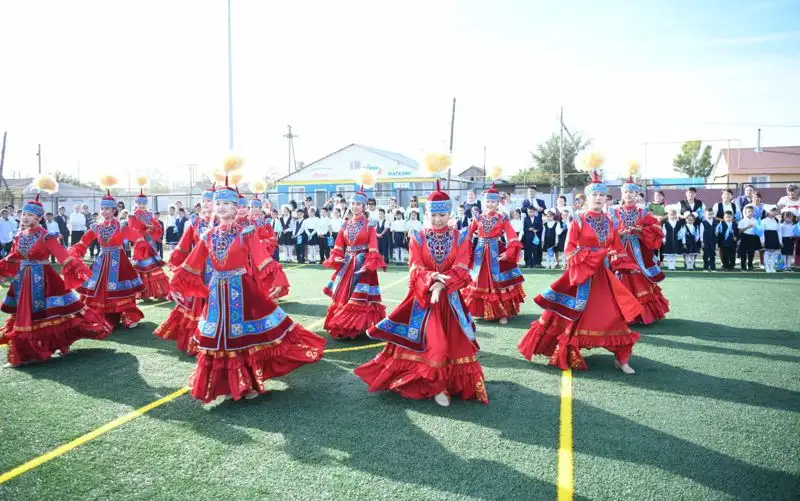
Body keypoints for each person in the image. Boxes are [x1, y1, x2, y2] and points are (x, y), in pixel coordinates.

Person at [169, 180, 325, 403]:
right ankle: (221, 385)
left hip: (241, 289)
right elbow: (192, 263)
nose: (221, 207)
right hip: (216, 294)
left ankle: (245, 384)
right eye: (218, 203)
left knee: (242, 337)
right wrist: (176, 284)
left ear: (235, 207)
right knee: (216, 337)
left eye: (226, 203)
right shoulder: (209, 235)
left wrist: (277, 280)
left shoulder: (246, 232)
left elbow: (262, 257)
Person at [355, 180, 487, 406]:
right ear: (428, 214)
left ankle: (450, 385)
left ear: (449, 214)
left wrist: (443, 284)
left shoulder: (461, 237)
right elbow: (415, 268)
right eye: (434, 216)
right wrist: (432, 279)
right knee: (436, 345)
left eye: (443, 215)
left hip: (451, 300)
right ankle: (436, 387)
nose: (438, 220)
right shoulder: (417, 237)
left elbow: (463, 267)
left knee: (457, 345)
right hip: (424, 300)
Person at [518, 168, 642, 373]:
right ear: (587, 197)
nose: (599, 198)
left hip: (603, 277)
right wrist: (595, 256)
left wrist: (627, 265)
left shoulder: (609, 220)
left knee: (612, 314)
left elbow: (616, 247)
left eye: (602, 195)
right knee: (570, 316)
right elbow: (569, 250)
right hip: (580, 276)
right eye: (595, 194)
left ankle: (621, 358)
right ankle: (567, 350)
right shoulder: (578, 219)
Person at [0, 181, 112, 367]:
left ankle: (42, 348)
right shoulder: (19, 236)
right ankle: (32, 350)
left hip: (44, 279)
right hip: (23, 279)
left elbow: (63, 256)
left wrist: (79, 270)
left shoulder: (46, 236)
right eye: (24, 214)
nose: (25, 217)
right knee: (29, 314)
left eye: (30, 215)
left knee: (50, 314)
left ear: (39, 218)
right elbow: (13, 257)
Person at [69, 189, 146, 328]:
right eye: (102, 208)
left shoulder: (121, 225)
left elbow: (138, 237)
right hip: (101, 261)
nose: (104, 211)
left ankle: (130, 315)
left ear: (114, 210)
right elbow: (83, 242)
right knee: (98, 288)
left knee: (121, 289)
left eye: (108, 209)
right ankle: (102, 315)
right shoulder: (96, 226)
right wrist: (75, 254)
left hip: (119, 261)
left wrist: (140, 251)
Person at [156, 185, 218, 354]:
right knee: (198, 304)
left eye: (209, 201)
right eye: (203, 201)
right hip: (197, 270)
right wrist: (176, 264)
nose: (206, 204)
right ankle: (198, 341)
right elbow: (183, 246)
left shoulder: (225, 224)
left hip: (221, 271)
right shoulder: (194, 223)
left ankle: (219, 341)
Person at [322, 186, 387, 339]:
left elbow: (373, 247)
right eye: (352, 204)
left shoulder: (369, 224)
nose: (354, 207)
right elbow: (339, 244)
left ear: (364, 206)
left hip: (362, 263)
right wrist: (337, 256)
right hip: (347, 262)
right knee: (343, 294)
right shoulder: (345, 224)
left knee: (359, 297)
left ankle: (357, 327)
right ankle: (345, 325)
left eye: (358, 204)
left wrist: (368, 264)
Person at [608, 176, 669, 323]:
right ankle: (620, 314)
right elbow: (606, 232)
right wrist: (618, 234)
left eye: (631, 193)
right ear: (622, 194)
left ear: (637, 195)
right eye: (626, 192)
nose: (628, 195)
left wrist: (640, 230)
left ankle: (640, 315)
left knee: (639, 279)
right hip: (619, 252)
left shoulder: (643, 213)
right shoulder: (613, 212)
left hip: (638, 253)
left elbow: (656, 229)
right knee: (618, 279)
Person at [463, 183, 525, 324]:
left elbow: (511, 236)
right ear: (484, 203)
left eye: (493, 201)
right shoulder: (478, 218)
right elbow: (468, 233)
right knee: (478, 279)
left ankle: (502, 313)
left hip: (496, 251)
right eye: (488, 201)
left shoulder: (502, 218)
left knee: (498, 281)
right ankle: (479, 311)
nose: (490, 204)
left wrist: (509, 252)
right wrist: (464, 246)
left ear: (497, 203)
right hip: (480, 252)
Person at [126, 188, 170, 299]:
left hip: (151, 245)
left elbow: (158, 228)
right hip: (140, 247)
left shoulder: (149, 214)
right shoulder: (133, 216)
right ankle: (144, 293)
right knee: (143, 269)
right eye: (139, 203)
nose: (141, 205)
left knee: (154, 267)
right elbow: (131, 233)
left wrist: (153, 227)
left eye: (144, 203)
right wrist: (146, 231)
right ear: (135, 203)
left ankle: (159, 292)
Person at [737, 204, 760, 271]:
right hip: (744, 237)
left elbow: (758, 230)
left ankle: (750, 265)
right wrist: (747, 227)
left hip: (753, 237)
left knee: (751, 252)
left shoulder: (756, 221)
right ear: (745, 212)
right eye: (748, 212)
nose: (750, 213)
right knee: (743, 252)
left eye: (752, 212)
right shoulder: (742, 221)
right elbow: (740, 231)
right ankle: (743, 266)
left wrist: (757, 230)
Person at [761, 208, 782, 273]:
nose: (774, 212)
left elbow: (779, 231)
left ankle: (772, 266)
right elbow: (761, 232)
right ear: (768, 212)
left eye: (775, 211)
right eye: (772, 211)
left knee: (775, 252)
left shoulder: (777, 220)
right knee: (767, 252)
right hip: (767, 237)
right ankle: (767, 266)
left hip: (775, 237)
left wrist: (780, 241)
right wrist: (762, 241)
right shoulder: (763, 220)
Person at [700, 207, 718, 272]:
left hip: (713, 240)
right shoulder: (703, 223)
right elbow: (701, 233)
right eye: (708, 214)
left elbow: (717, 232)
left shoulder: (716, 222)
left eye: (711, 214)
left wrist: (717, 234)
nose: (710, 215)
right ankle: (705, 267)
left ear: (713, 214)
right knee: (706, 254)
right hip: (706, 241)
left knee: (712, 254)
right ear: (705, 214)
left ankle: (712, 267)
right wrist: (702, 241)